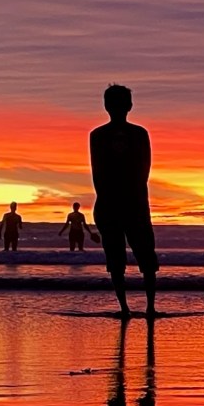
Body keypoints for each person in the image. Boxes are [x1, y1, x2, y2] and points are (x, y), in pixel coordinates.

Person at [89, 84, 158, 317]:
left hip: (117, 204)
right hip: (128, 204)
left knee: (129, 258)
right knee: (132, 258)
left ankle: (134, 308)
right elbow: (142, 171)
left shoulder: (103, 135)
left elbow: (99, 174)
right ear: (130, 105)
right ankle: (142, 308)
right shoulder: (135, 134)